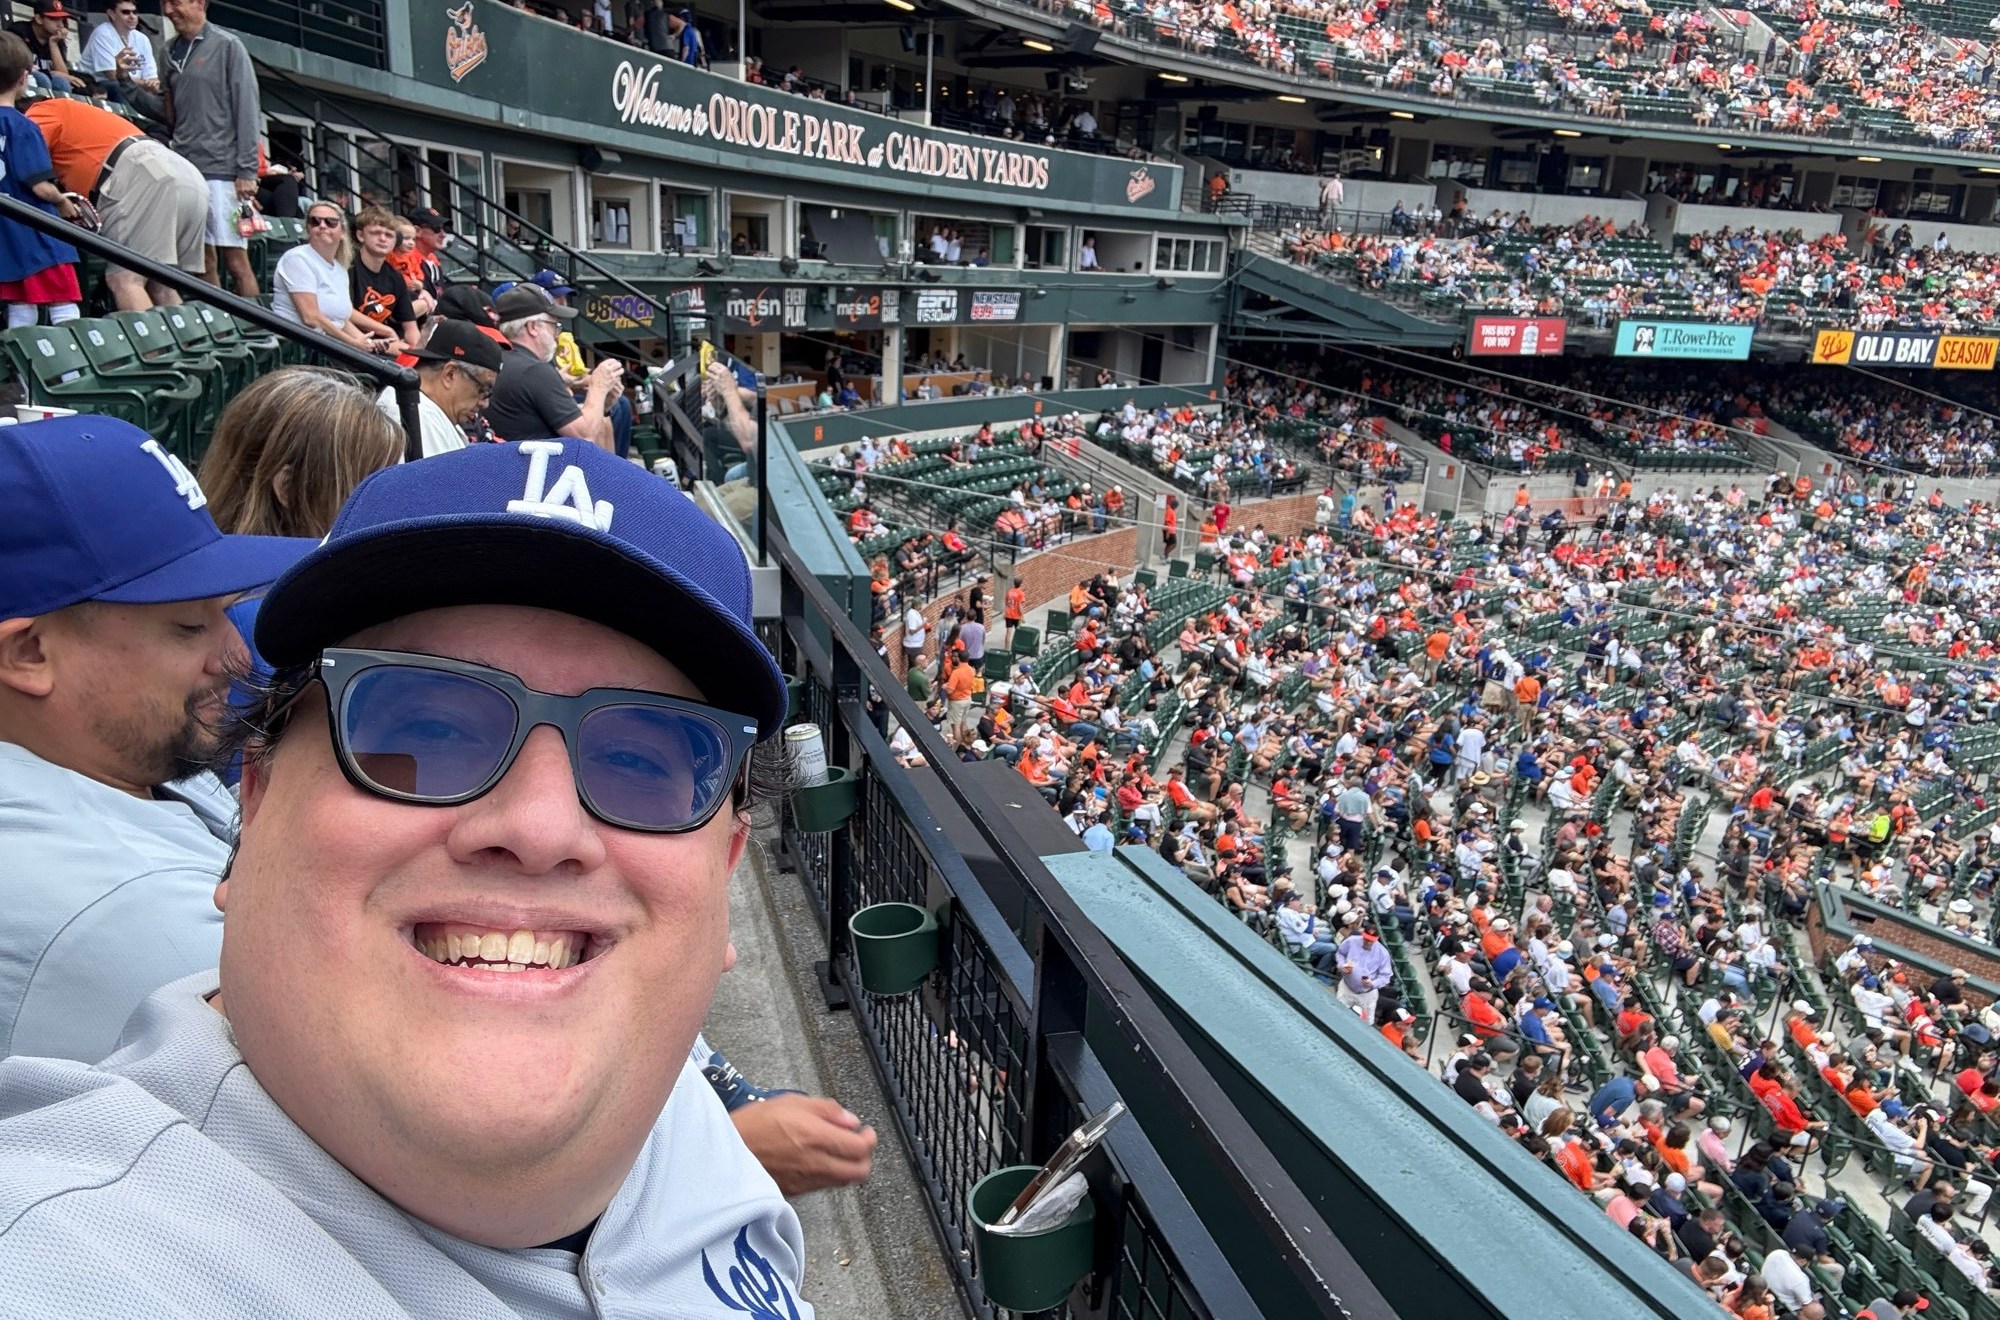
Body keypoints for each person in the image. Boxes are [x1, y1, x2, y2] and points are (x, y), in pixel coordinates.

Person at [0, 440, 824, 1312]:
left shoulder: (664, 1099)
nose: (540, 828)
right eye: (425, 734)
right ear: (257, 805)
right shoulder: (70, 1256)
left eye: (636, 760)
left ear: (722, 874)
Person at [0, 415, 311, 1061]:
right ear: (28, 652)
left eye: (223, 615)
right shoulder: (118, 912)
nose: (236, 656)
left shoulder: (117, 751)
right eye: (186, 627)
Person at [116, 0, 261, 296]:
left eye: (175, 2)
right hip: (187, 170)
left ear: (199, 3)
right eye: (164, 4)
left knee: (237, 262)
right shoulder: (168, 51)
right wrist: (125, 82)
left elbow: (247, 108)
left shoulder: (228, 46)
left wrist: (247, 170)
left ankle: (259, 333)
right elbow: (168, 115)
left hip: (224, 173)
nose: (168, 11)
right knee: (202, 263)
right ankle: (220, 333)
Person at [25, 86, 208, 309]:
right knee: (160, 283)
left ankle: (152, 346)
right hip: (183, 172)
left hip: (142, 173)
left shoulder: (39, 110)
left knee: (125, 279)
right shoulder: (78, 113)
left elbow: (25, 156)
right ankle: (184, 344)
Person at [0, 35, 79, 328]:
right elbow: (40, 186)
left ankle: (25, 376)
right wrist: (63, 201)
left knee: (21, 305)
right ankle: (72, 375)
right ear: (24, 78)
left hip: (6, 235)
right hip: (36, 232)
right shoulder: (22, 125)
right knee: (63, 302)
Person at [486, 283, 622, 450]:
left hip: (511, 466)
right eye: (554, 325)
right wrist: (598, 386)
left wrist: (604, 406)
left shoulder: (497, 358)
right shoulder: (533, 370)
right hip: (538, 471)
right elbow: (585, 436)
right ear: (533, 327)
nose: (557, 334)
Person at [272, 199, 401, 352]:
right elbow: (311, 318)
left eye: (330, 222)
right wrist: (354, 345)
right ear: (308, 228)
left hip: (330, 345)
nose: (322, 226)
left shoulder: (339, 268)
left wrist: (366, 342)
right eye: (315, 221)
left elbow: (341, 319)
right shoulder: (297, 259)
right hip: (303, 347)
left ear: (343, 232)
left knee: (403, 354)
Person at [376, 318, 506, 458]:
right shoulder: (414, 417)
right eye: (483, 389)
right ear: (450, 374)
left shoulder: (426, 410)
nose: (485, 403)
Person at [347, 205, 419, 348]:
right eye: (375, 233)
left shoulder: (395, 277)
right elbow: (342, 311)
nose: (382, 239)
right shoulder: (348, 267)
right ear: (360, 235)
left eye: (389, 235)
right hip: (350, 341)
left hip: (384, 344)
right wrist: (386, 330)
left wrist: (417, 352)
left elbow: (410, 327)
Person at [80, 0, 153, 89]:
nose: (132, 16)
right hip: (98, 87)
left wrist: (152, 83)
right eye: (125, 12)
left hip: (132, 89)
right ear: (112, 14)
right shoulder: (103, 33)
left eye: (135, 12)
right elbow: (112, 75)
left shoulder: (143, 39)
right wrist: (146, 83)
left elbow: (152, 77)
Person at [8, 0, 74, 93]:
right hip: (17, 81)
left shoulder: (57, 40)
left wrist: (53, 44)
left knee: (61, 83)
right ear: (39, 18)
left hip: (42, 79)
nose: (60, 25)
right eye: (53, 19)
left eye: (62, 19)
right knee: (42, 79)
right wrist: (50, 73)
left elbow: (64, 76)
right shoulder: (20, 31)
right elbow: (18, 67)